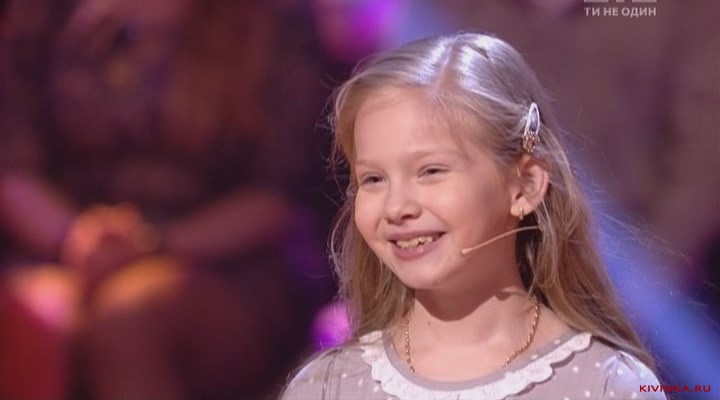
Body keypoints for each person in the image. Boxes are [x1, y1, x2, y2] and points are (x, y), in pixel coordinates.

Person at [281, 33, 666, 400]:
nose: (396, 207)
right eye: (373, 179)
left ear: (525, 185)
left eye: (431, 171)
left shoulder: (605, 384)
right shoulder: (328, 386)